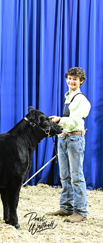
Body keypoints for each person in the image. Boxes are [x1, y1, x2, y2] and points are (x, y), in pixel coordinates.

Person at [47, 67, 91, 223]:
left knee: (76, 177)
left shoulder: (81, 99)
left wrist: (59, 120)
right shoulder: (69, 97)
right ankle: (66, 207)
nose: (71, 81)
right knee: (65, 176)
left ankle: (81, 211)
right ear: (66, 79)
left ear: (81, 81)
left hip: (74, 140)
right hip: (64, 138)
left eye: (75, 79)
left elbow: (74, 122)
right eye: (69, 78)